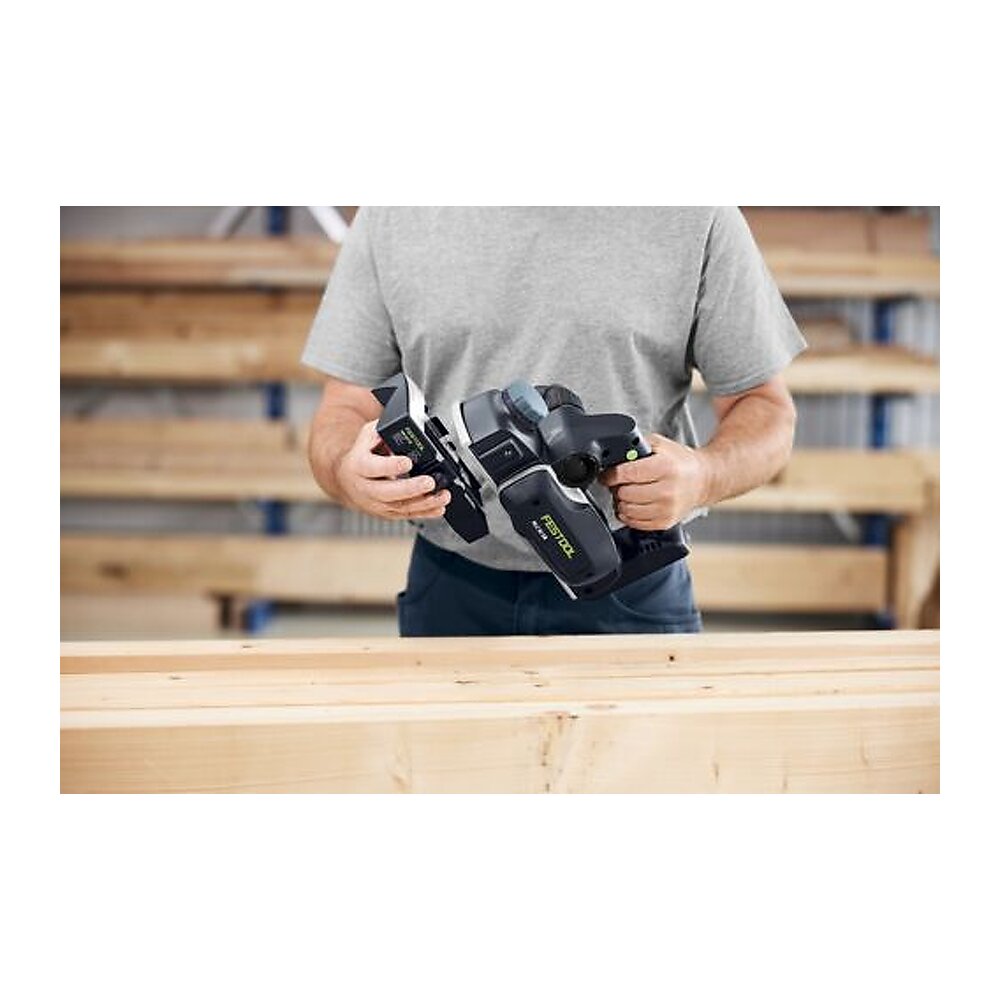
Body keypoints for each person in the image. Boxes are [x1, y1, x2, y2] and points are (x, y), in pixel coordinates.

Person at [303, 207, 804, 636]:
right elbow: (345, 406)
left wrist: (703, 476)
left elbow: (764, 407)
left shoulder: (693, 212)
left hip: (630, 586)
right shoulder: (396, 212)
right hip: (454, 584)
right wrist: (350, 472)